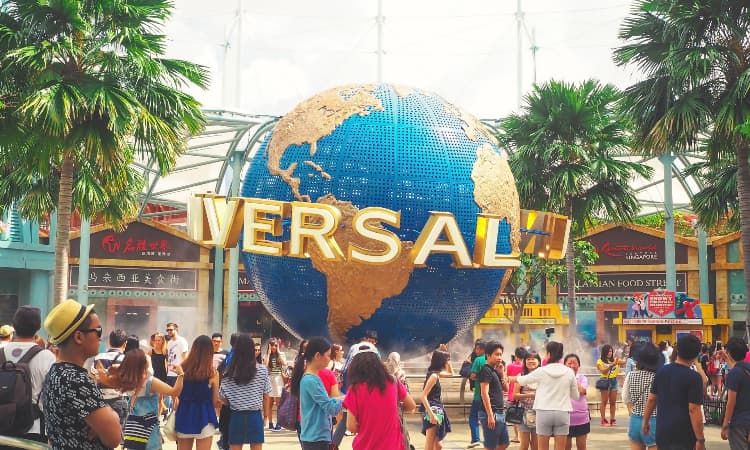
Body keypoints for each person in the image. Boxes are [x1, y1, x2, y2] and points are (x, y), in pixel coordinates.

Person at [42, 299, 122, 450]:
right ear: (78, 337)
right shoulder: (76, 380)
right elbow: (114, 437)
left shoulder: (56, 372)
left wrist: (100, 423)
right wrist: (113, 416)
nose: (100, 337)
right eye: (98, 331)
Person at [97, 348, 185, 450]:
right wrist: (181, 374)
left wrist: (110, 371)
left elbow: (111, 376)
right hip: (150, 436)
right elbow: (174, 391)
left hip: (134, 433)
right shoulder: (150, 383)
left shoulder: (125, 381)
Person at [509, 341, 578, 450]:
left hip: (543, 412)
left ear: (549, 354)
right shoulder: (569, 372)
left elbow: (523, 380)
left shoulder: (541, 371)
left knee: (542, 447)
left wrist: (508, 378)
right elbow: (576, 396)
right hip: (563, 412)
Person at [343, 348, 416, 450]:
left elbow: (351, 426)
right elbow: (411, 405)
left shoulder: (354, 389)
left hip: (366, 446)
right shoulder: (393, 382)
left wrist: (367, 426)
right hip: (394, 446)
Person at [2, 306, 56, 442]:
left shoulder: (1, 352)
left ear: (13, 326)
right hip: (34, 428)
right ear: (38, 328)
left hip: (2, 426)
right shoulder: (47, 356)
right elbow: (51, 397)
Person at [642, 334, 705, 450]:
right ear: (696, 354)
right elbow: (694, 409)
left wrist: (645, 421)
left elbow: (651, 399)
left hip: (663, 431)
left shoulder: (662, 371)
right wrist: (700, 439)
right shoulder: (694, 378)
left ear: (677, 350)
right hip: (684, 434)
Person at [290, 337, 343, 450]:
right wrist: (349, 397)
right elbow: (331, 408)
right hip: (316, 439)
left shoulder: (312, 378)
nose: (330, 359)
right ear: (318, 355)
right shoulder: (311, 381)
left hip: (315, 437)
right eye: (328, 355)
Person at [220, 334, 271, 450]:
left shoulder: (228, 372)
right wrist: (266, 416)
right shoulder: (262, 370)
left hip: (236, 416)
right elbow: (266, 396)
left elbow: (223, 398)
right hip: (255, 416)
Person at [175, 335, 220, 450]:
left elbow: (176, 393)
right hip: (205, 416)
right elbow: (215, 401)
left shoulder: (182, 369)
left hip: (185, 414)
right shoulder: (212, 373)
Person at [622, 342, 661, 450]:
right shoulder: (658, 377)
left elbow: (625, 397)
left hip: (635, 420)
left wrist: (631, 409)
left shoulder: (631, 375)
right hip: (653, 421)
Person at [91, 329, 129, 429]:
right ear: (125, 344)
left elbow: (93, 376)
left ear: (109, 342)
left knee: (103, 434)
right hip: (119, 401)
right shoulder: (126, 359)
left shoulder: (98, 357)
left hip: (101, 402)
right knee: (118, 434)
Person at [477, 340, 508, 450]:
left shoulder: (495, 371)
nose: (499, 357)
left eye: (500, 354)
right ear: (488, 355)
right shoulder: (486, 370)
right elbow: (484, 393)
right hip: (491, 413)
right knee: (491, 446)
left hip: (499, 412)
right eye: (496, 354)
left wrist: (502, 373)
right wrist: (490, 415)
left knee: (503, 444)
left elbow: (506, 389)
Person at [421, 347, 454, 450]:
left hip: (435, 409)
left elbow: (451, 373)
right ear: (441, 361)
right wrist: (432, 415)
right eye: (446, 360)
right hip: (433, 410)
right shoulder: (434, 376)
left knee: (438, 446)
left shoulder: (435, 373)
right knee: (429, 446)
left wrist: (448, 359)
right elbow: (423, 396)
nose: (447, 362)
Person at [720, 337, 750, 449]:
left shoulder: (734, 374)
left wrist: (725, 424)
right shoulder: (745, 369)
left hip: (739, 423)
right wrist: (727, 359)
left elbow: (731, 402)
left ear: (730, 352)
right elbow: (738, 370)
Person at [514, 351, 541, 450]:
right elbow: (515, 395)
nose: (531, 361)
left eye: (533, 358)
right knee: (524, 444)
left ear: (539, 361)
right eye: (528, 359)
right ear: (525, 361)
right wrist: (530, 395)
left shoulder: (542, 376)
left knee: (536, 444)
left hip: (539, 413)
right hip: (524, 413)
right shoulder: (521, 376)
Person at [563, 354, 589, 450]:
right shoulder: (560, 379)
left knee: (582, 447)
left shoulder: (582, 378)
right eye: (569, 363)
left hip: (581, 418)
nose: (572, 365)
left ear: (579, 365)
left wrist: (572, 377)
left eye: (575, 363)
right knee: (566, 447)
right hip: (565, 418)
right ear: (564, 365)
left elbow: (582, 391)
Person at [464, 339, 486, 448]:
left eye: (477, 348)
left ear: (481, 349)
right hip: (491, 395)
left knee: (473, 417)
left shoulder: (478, 360)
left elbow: (472, 375)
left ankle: (476, 439)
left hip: (479, 394)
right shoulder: (491, 359)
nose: (475, 350)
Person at [264, 337, 287, 431]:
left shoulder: (281, 354)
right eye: (272, 345)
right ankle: (270, 423)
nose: (273, 347)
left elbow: (285, 363)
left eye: (275, 345)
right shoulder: (266, 355)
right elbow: (265, 366)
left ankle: (278, 423)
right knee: (269, 403)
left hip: (278, 379)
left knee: (278, 404)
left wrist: (278, 352)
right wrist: (269, 353)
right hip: (269, 379)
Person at [596, 344, 622, 426]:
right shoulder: (600, 361)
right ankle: (603, 420)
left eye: (611, 351)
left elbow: (625, 361)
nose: (610, 353)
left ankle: (612, 419)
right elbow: (603, 371)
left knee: (613, 402)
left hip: (614, 381)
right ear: (604, 352)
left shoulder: (615, 360)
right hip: (605, 381)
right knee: (604, 401)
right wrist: (610, 366)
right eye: (608, 351)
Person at [507, 347, 527, 444]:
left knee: (515, 416)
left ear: (516, 355)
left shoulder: (510, 366)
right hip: (523, 395)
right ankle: (524, 435)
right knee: (523, 415)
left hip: (512, 394)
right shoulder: (525, 366)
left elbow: (507, 378)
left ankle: (517, 436)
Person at [149, 332, 169, 416]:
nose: (157, 342)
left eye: (159, 340)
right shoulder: (151, 351)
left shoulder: (165, 352)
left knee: (160, 398)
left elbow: (168, 365)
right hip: (153, 376)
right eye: (155, 340)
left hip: (162, 377)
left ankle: (157, 418)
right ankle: (163, 411)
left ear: (163, 341)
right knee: (153, 398)